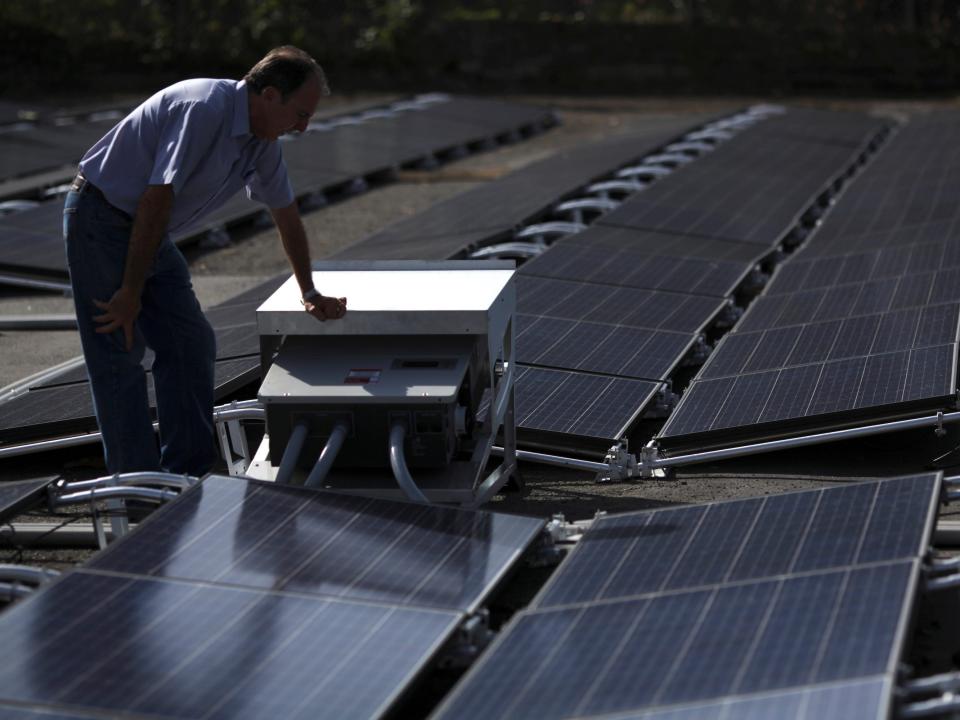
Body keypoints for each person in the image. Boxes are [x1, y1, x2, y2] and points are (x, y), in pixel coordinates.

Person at [63, 45, 346, 477]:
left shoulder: (261, 141)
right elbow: (157, 197)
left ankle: (185, 476)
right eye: (301, 114)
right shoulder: (203, 108)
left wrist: (309, 291)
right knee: (119, 350)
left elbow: (286, 215)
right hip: (101, 218)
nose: (303, 128)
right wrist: (130, 293)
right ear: (270, 96)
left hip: (147, 231)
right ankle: (137, 489)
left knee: (190, 343)